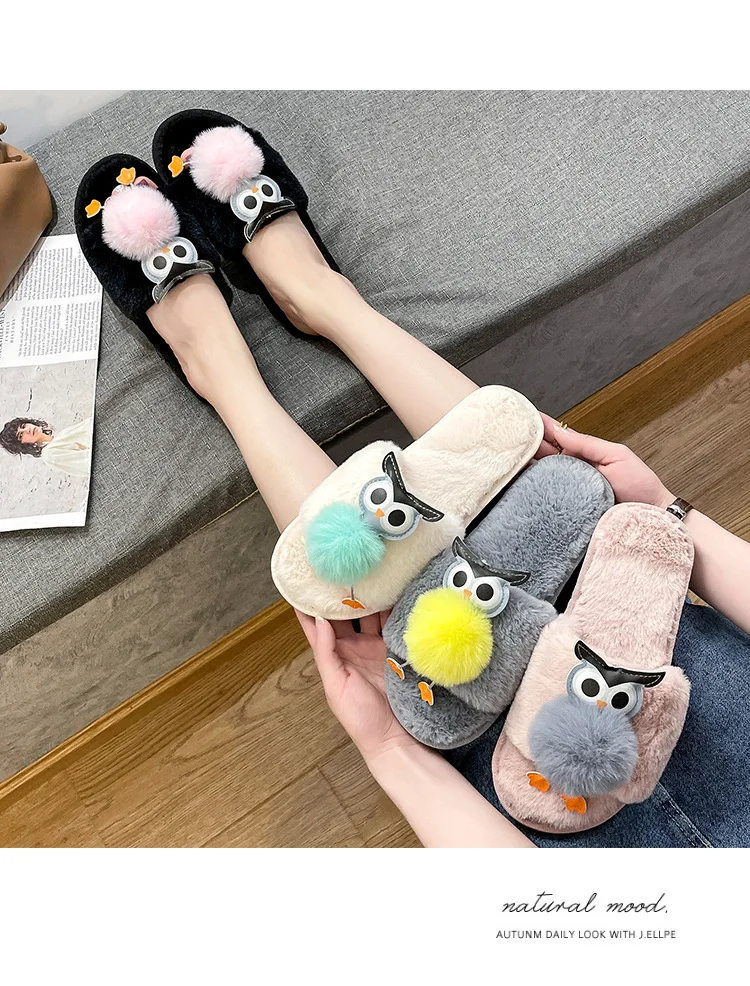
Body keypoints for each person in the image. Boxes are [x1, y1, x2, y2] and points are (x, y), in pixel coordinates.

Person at [141, 211, 749, 848]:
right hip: (646, 632)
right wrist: (668, 513)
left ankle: (224, 373)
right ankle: (323, 297)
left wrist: (390, 748)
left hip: (511, 769)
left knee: (375, 579)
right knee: (539, 485)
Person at [0, 415, 93, 477]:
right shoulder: (49, 454)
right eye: (21, 435)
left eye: (23, 426)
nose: (27, 430)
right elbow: (87, 463)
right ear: (23, 445)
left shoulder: (60, 436)